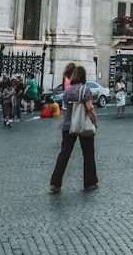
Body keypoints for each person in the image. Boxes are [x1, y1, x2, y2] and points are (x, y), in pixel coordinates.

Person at [48, 65, 98, 193]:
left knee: (64, 154)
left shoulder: (67, 91)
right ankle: (90, 182)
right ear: (83, 76)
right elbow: (90, 108)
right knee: (88, 153)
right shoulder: (85, 90)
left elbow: (65, 110)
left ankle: (55, 183)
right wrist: (94, 121)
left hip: (67, 125)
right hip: (82, 124)